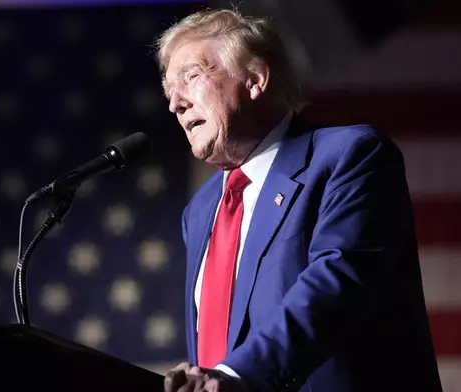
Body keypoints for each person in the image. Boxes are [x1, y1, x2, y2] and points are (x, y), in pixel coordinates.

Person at [156, 8, 442, 392]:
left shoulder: (348, 156)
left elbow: (336, 284)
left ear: (255, 80)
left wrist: (237, 376)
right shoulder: (202, 208)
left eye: (190, 77)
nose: (176, 103)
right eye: (169, 91)